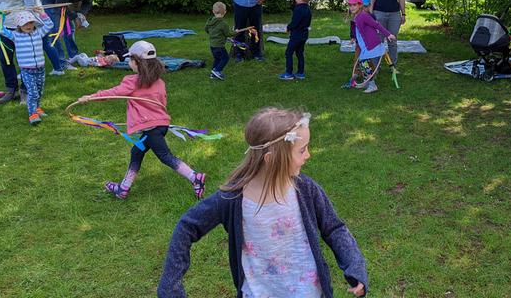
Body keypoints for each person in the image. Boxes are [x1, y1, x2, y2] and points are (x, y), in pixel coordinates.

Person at [156, 107, 368, 298]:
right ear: (271, 159)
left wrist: (355, 266)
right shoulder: (232, 199)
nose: (308, 155)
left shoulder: (306, 190)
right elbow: (187, 226)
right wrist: (170, 285)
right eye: (302, 150)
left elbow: (334, 228)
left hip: (309, 292)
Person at [78, 41, 205, 200]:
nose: (129, 62)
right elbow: (161, 103)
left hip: (151, 129)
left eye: (130, 59)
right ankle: (123, 188)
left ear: (137, 62)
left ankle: (195, 177)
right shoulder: (159, 82)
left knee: (165, 156)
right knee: (136, 152)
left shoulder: (133, 81)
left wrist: (91, 97)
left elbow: (114, 93)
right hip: (159, 126)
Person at [41, 0, 104, 74]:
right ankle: (61, 63)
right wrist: (75, 16)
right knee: (55, 31)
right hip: (49, 1)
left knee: (70, 29)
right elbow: (60, 3)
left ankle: (74, 56)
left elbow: (87, 3)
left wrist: (81, 15)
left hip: (61, 3)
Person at [0, 8, 53, 124]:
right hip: (27, 71)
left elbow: (50, 24)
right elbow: (1, 30)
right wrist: (1, 17)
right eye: (25, 24)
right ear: (19, 25)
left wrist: (42, 13)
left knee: (39, 92)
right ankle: (32, 114)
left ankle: (37, 108)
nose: (28, 26)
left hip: (40, 70)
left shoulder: (38, 33)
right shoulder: (15, 36)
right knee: (32, 93)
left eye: (31, 23)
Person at [349, 0, 396, 94]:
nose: (352, 7)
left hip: (371, 44)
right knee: (363, 63)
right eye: (350, 5)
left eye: (354, 5)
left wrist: (388, 34)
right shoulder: (357, 16)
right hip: (365, 45)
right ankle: (368, 82)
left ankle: (372, 85)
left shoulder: (363, 15)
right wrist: (353, 37)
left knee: (364, 64)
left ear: (360, 5)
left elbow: (376, 25)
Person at [279, 0, 313, 80]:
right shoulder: (308, 9)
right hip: (304, 34)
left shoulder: (298, 9)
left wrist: (288, 28)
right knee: (299, 53)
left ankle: (288, 73)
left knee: (288, 53)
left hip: (296, 35)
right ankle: (300, 73)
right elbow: (308, 22)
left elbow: (295, 22)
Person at [205, 2, 236, 80]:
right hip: (219, 46)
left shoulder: (210, 21)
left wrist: (213, 34)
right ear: (225, 12)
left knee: (217, 59)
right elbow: (228, 34)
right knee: (225, 58)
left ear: (213, 11)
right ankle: (217, 71)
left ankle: (213, 74)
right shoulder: (223, 24)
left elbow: (206, 29)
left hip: (212, 46)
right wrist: (236, 32)